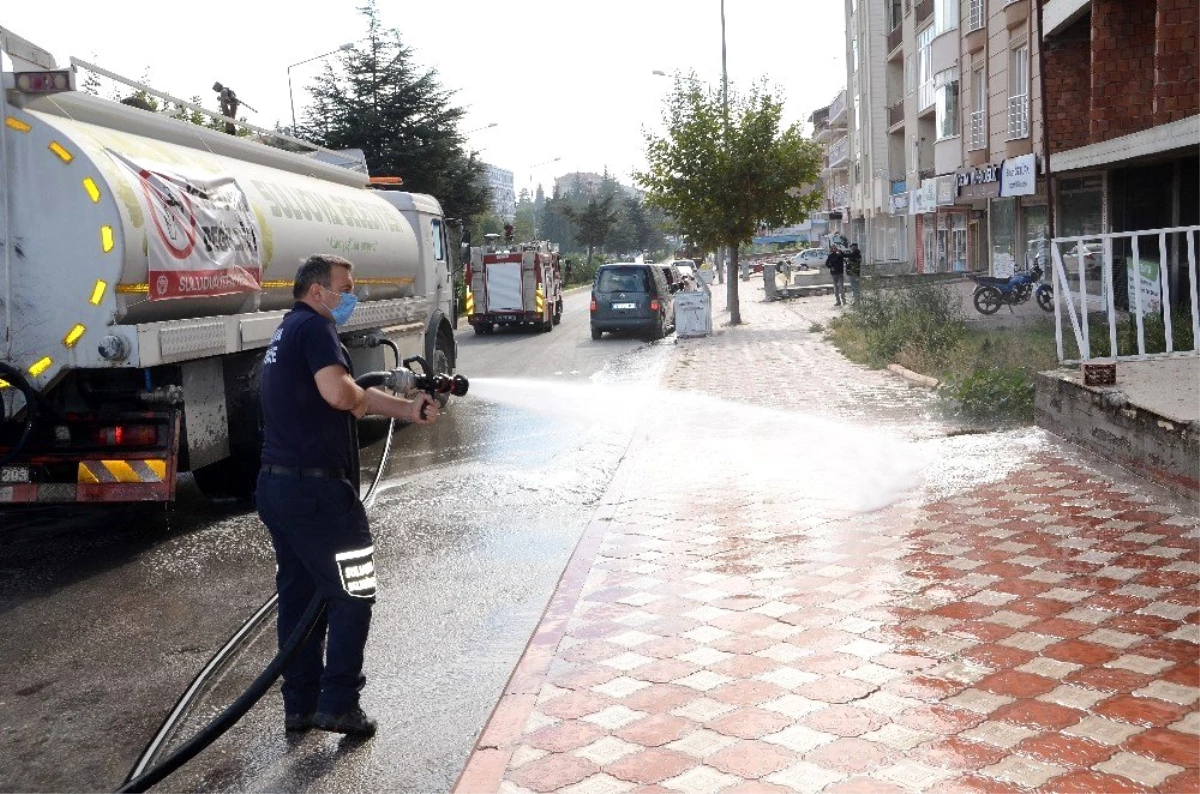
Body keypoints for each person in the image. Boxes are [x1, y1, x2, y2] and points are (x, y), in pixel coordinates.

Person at [257, 254, 439, 738]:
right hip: (318, 493)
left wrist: (406, 408)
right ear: (318, 292)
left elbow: (347, 395)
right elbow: (343, 395)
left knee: (302, 599)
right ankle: (339, 703)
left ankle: (301, 705)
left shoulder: (286, 332)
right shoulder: (316, 330)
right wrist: (365, 393)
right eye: (347, 287)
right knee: (353, 594)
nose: (352, 297)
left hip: (281, 486)